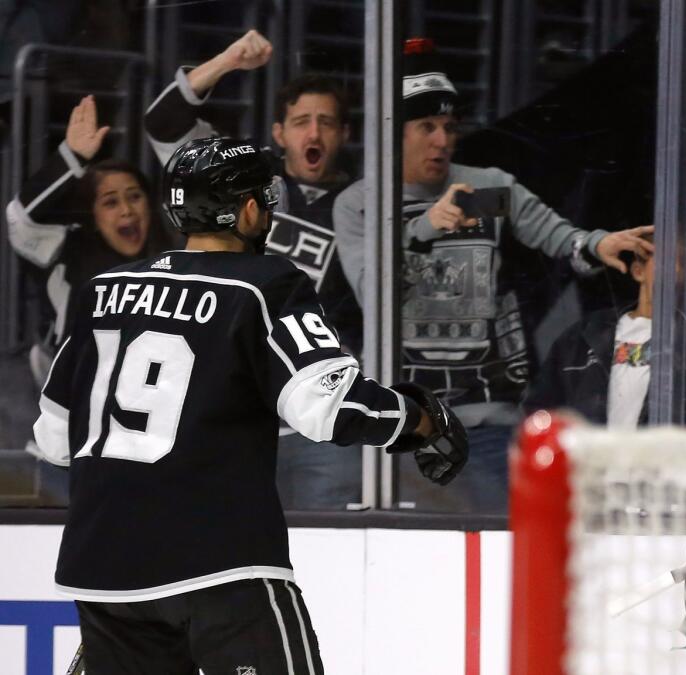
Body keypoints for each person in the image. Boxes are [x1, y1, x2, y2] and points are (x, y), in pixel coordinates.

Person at [31, 138, 467, 673]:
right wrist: (422, 421)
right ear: (251, 210)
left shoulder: (103, 292)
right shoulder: (262, 286)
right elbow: (330, 405)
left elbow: (55, 441)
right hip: (221, 566)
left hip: (102, 568)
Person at [333, 38, 653, 511]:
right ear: (391, 132)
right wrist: (423, 229)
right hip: (400, 420)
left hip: (485, 420)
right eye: (427, 126)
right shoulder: (360, 202)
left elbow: (556, 235)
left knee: (501, 544)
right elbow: (371, 294)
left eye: (449, 126)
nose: (442, 140)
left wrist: (596, 243)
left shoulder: (486, 187)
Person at [144, 29, 366, 509]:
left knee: (329, 555)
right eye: (301, 121)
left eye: (326, 123)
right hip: (231, 410)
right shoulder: (241, 180)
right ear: (278, 132)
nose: (314, 133)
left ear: (344, 135)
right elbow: (163, 124)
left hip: (316, 421)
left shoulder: (368, 205)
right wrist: (226, 61)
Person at [5, 95, 176, 383]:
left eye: (135, 197)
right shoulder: (68, 249)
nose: (127, 211)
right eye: (110, 203)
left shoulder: (174, 258)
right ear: (93, 215)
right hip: (65, 391)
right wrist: (71, 157)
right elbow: (20, 219)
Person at [522, 229, 686, 426]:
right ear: (638, 271)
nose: (678, 270)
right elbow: (540, 410)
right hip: (590, 458)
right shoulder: (585, 335)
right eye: (667, 259)